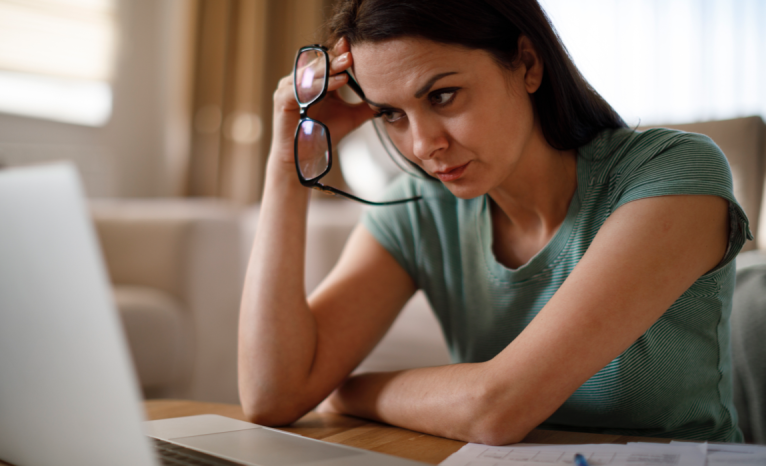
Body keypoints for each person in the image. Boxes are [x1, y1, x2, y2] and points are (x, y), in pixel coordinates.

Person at [239, 0, 751, 445]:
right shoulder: (422, 208)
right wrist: (288, 167)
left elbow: (495, 409)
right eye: (390, 113)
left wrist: (349, 389)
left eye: (442, 96)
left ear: (527, 63)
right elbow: (273, 394)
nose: (422, 146)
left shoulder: (672, 171)